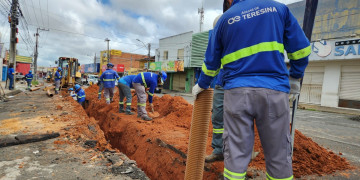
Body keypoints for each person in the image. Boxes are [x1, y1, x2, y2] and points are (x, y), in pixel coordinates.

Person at [193, 0, 311, 179]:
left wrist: (202, 84)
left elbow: (211, 61)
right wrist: (295, 77)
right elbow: (301, 49)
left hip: (237, 93)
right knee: (278, 153)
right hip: (274, 90)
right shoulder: (279, 9)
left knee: (236, 153)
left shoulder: (225, 19)